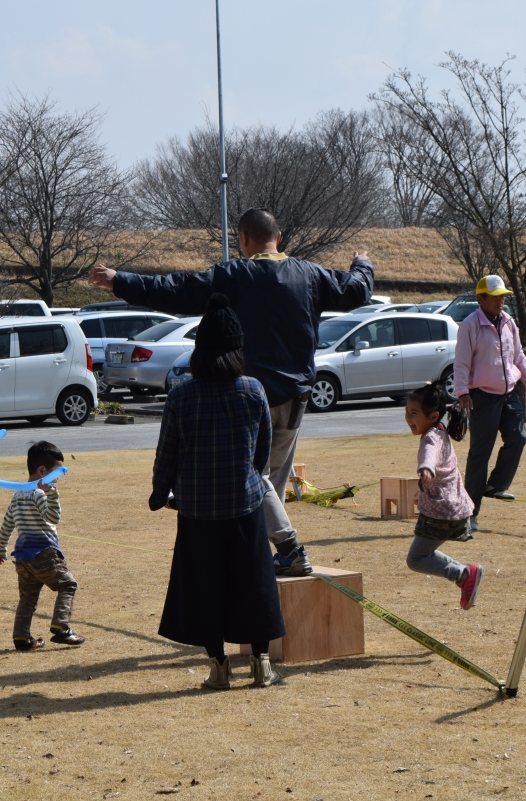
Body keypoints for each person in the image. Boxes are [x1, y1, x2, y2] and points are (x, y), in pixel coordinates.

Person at [91, 208, 373, 577]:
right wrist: (362, 263)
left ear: (242, 239)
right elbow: (357, 289)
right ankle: (266, 553)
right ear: (279, 238)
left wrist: (120, 281)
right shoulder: (310, 274)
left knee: (255, 476)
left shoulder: (236, 275)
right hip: (297, 394)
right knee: (271, 477)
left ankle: (289, 548)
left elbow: (176, 290)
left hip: (251, 395)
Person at [149, 294, 285, 690]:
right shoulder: (253, 390)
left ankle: (218, 667)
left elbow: (167, 454)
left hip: (196, 511)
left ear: (199, 351)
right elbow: (263, 452)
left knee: (204, 588)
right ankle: (261, 664)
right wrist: (247, 478)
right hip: (245, 505)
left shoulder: (181, 396)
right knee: (255, 584)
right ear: (237, 351)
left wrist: (160, 493)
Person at [453, 275, 526, 531]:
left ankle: (495, 485)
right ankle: (470, 515)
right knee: (480, 456)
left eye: (503, 296)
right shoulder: (470, 325)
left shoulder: (509, 321)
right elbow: (461, 362)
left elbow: (518, 357)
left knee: (518, 438)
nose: (501, 301)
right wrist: (462, 392)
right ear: (481, 298)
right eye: (495, 297)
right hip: (481, 397)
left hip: (509, 393)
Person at [0, 441, 85, 651]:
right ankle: (61, 627)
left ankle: (22, 637)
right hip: (44, 554)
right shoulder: (39, 494)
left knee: (28, 597)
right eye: (58, 472)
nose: (59, 478)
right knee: (68, 585)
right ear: (42, 471)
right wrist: (52, 494)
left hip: (23, 558)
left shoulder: (17, 496)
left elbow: (7, 525)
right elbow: (53, 517)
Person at [403, 382, 483, 609]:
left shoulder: (431, 437)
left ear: (433, 416)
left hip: (441, 511)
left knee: (416, 559)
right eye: (407, 412)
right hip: (453, 507)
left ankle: (463, 574)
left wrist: (426, 468)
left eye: (414, 413)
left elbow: (430, 453)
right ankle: (465, 574)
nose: (408, 418)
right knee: (426, 553)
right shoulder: (440, 429)